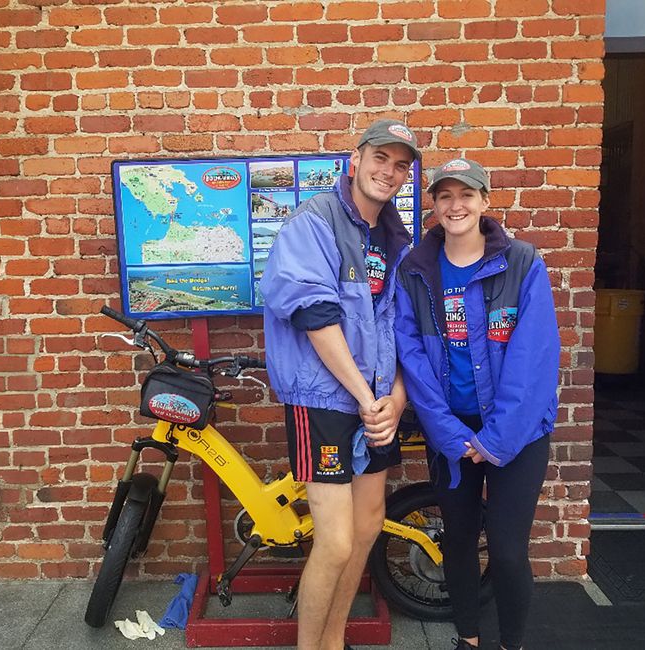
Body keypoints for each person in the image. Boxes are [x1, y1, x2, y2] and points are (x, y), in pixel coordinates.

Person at [260, 119, 420, 650]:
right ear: (356, 160)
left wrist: (393, 400)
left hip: (374, 402)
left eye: (401, 165)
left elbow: (398, 328)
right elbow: (316, 315)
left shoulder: (393, 237)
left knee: (369, 527)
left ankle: (332, 641)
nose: (389, 172)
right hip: (325, 399)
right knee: (334, 540)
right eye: (381, 159)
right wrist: (363, 396)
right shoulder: (315, 221)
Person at [394, 158, 560, 650]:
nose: (456, 204)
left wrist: (494, 441)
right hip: (451, 432)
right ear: (434, 206)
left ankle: (512, 643)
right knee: (459, 542)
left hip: (518, 433)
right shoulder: (416, 269)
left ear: (485, 201)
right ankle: (468, 638)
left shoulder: (524, 263)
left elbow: (534, 361)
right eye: (444, 195)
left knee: (508, 551)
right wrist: (448, 434)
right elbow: (411, 353)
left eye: (466, 194)